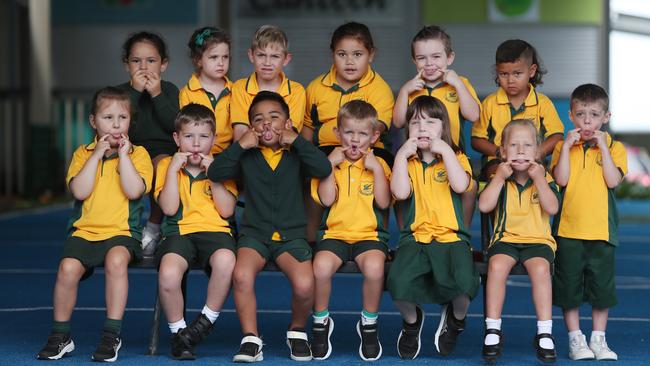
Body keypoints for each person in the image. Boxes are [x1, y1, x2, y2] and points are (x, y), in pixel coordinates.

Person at [208, 91, 331, 362]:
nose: (267, 124)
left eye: (274, 118)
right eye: (259, 119)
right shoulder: (247, 155)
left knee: (304, 284)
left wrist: (297, 141)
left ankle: (297, 331)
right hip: (255, 235)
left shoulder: (297, 153)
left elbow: (323, 168)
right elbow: (215, 172)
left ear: (287, 123)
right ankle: (251, 338)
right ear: (252, 127)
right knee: (241, 276)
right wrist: (241, 144)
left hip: (291, 236)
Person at [36, 87, 153, 362]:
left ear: (129, 122)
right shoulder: (82, 154)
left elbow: (134, 190)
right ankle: (61, 335)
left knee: (115, 261)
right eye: (108, 117)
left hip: (122, 233)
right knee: (67, 268)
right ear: (93, 122)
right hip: (85, 231)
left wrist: (123, 156)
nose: (115, 124)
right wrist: (96, 155)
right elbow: (79, 191)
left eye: (122, 118)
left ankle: (112, 334)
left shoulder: (139, 155)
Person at [387, 95, 478, 360]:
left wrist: (446, 150)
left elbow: (461, 186)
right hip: (415, 237)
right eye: (415, 123)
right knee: (397, 284)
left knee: (464, 286)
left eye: (430, 122)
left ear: (443, 128)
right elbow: (400, 194)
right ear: (407, 131)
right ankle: (412, 322)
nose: (423, 128)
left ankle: (456, 319)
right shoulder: (407, 163)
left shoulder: (456, 157)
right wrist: (402, 156)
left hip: (452, 238)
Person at [154, 104, 237, 360]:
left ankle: (203, 324)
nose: (196, 144)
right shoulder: (167, 165)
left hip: (216, 231)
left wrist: (214, 175)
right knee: (168, 273)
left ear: (213, 139)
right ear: (177, 139)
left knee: (226, 261)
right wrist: (171, 171)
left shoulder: (222, 165)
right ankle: (179, 333)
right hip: (178, 233)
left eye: (203, 137)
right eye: (189, 136)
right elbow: (168, 208)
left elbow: (226, 211)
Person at [310, 100, 391, 361]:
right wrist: (329, 167)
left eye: (363, 134)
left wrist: (376, 169)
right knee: (320, 267)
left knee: (375, 269)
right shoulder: (328, 163)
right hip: (334, 235)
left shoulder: (379, 165)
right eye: (348, 133)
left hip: (369, 236)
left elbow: (384, 202)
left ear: (374, 136)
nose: (355, 140)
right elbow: (325, 199)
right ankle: (321, 322)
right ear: (337, 133)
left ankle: (369, 324)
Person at [551, 84, 627, 361]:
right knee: (568, 289)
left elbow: (613, 180)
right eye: (581, 114)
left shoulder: (615, 148)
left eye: (594, 115)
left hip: (601, 232)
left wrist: (603, 149)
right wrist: (567, 148)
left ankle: (599, 339)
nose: (586, 121)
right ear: (570, 115)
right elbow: (560, 180)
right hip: (568, 231)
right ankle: (575, 339)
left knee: (601, 291)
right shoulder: (563, 146)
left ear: (605, 118)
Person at [302, 21, 394, 243]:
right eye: (342, 54)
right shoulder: (316, 87)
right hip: (324, 149)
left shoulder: (379, 89)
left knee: (387, 171)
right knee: (310, 169)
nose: (350, 61)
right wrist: (305, 155)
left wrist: (354, 147)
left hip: (368, 150)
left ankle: (380, 234)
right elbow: (307, 127)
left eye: (358, 54)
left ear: (371, 55)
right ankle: (312, 236)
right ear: (332, 54)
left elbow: (376, 129)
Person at [478, 119, 560, 363]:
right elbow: (484, 205)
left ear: (537, 152)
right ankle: (493, 328)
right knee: (496, 266)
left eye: (527, 145)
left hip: (539, 241)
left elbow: (552, 207)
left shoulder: (544, 179)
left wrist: (541, 179)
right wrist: (499, 178)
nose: (521, 150)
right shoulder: (499, 178)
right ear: (503, 152)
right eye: (513, 145)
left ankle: (544, 331)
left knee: (540, 268)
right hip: (506, 239)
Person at [393, 25, 480, 227]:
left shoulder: (460, 83)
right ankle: (405, 233)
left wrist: (457, 84)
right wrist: (404, 91)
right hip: (417, 156)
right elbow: (398, 122)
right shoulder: (412, 88)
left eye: (436, 57)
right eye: (422, 58)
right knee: (397, 185)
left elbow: (473, 114)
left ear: (449, 58)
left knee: (470, 186)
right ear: (414, 61)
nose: (429, 63)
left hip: (453, 154)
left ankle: (462, 233)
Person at [117, 31, 180, 255]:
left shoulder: (170, 90)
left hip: (162, 152)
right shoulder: (122, 94)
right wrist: (134, 92)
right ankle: (123, 228)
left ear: (163, 65)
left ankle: (153, 226)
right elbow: (122, 124)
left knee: (162, 167)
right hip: (129, 150)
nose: (143, 67)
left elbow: (173, 124)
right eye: (136, 61)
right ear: (127, 65)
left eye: (151, 61)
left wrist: (156, 94)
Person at [472, 39, 564, 180]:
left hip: (533, 161)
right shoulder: (490, 103)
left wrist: (539, 152)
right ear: (497, 72)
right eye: (504, 74)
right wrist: (499, 152)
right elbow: (476, 140)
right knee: (498, 174)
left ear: (531, 71)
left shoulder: (543, 103)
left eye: (517, 74)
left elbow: (557, 136)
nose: (510, 80)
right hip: (498, 162)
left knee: (541, 178)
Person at [230, 25, 306, 141]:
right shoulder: (240, 88)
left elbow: (288, 136)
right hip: (250, 155)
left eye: (275, 56)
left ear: (286, 59)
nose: (267, 62)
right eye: (261, 55)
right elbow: (241, 136)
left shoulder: (296, 91)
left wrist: (255, 132)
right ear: (251, 56)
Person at [179, 26, 233, 154]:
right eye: (214, 57)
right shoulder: (187, 93)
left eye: (225, 57)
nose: (221, 62)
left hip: (229, 154)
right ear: (198, 60)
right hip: (197, 153)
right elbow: (186, 130)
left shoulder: (235, 90)